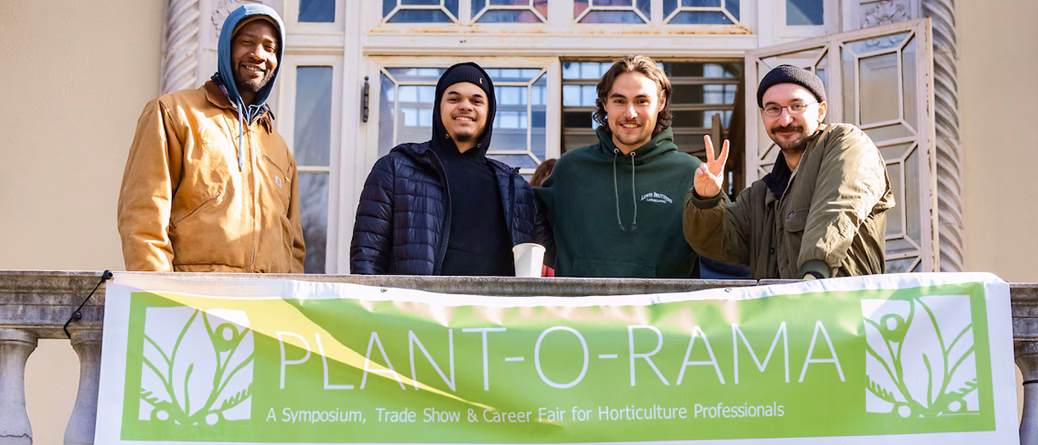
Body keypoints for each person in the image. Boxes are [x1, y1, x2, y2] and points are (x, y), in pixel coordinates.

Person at [117, 5, 304, 272]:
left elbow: (294, 248)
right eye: (247, 42)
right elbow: (143, 218)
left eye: (269, 47)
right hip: (194, 303)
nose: (258, 55)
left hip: (264, 306)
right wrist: (160, 297)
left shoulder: (279, 149)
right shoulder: (173, 113)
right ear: (226, 48)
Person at [684, 64, 894, 279]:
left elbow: (838, 207)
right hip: (781, 311)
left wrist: (814, 276)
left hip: (842, 307)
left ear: (820, 111)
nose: (785, 119)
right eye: (773, 109)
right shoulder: (760, 195)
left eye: (796, 106)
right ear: (763, 115)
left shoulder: (846, 142)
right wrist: (706, 199)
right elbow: (717, 244)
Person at [349, 62, 549, 275]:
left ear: (489, 112)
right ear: (438, 107)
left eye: (476, 100)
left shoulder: (516, 189)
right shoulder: (395, 170)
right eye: (454, 99)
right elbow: (366, 261)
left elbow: (558, 255)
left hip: (493, 308)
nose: (465, 106)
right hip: (413, 308)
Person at [535, 55, 701, 278]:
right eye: (619, 101)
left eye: (642, 101)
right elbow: (532, 236)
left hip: (661, 312)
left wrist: (711, 201)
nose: (630, 113)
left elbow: (727, 247)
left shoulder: (691, 173)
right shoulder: (569, 168)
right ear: (605, 103)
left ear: (661, 103)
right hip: (580, 311)